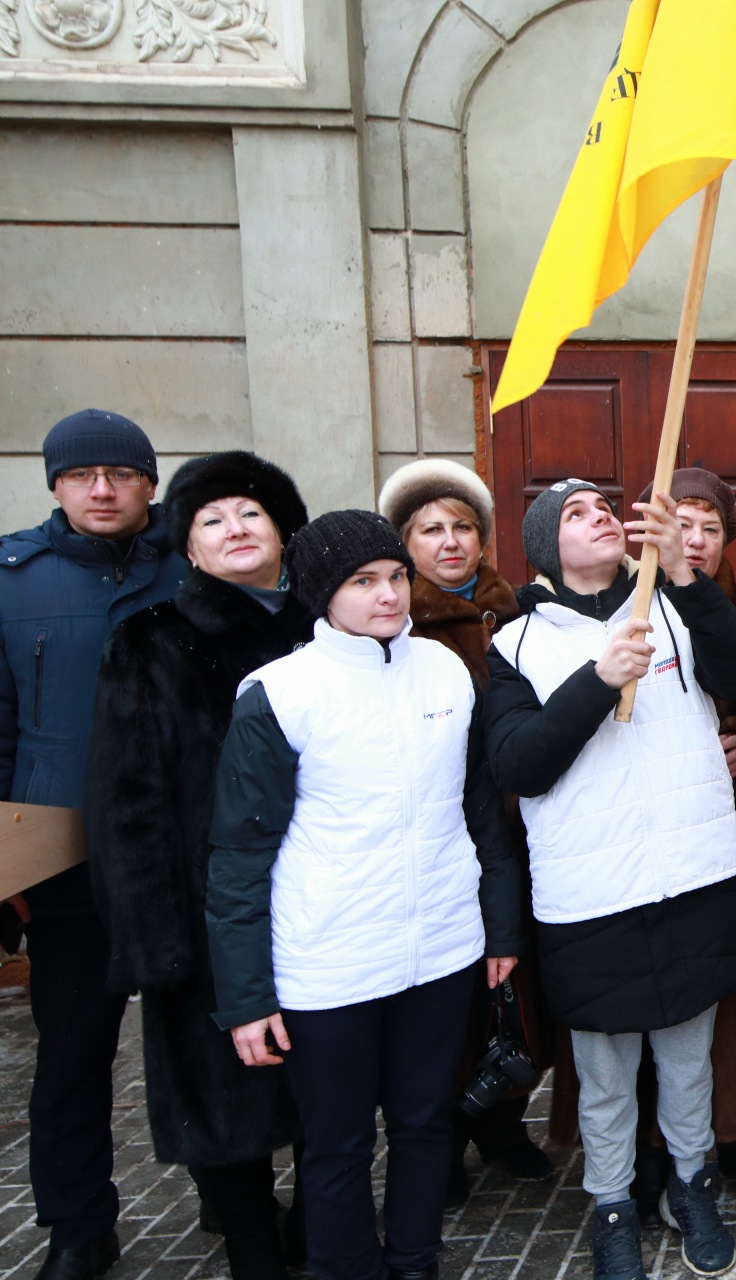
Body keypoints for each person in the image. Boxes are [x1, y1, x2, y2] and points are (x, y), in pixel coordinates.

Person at [205, 510, 524, 1280]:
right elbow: (238, 856)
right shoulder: (280, 694)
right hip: (330, 963)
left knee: (425, 1124)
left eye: (394, 577)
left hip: (440, 949)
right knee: (338, 1144)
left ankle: (415, 1262)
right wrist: (246, 997)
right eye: (363, 581)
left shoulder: (445, 671)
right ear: (323, 592)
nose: (388, 594)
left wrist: (500, 929)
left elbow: (480, 810)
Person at [484, 479, 736, 1279]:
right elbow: (519, 765)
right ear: (545, 548)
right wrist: (597, 679)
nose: (600, 516)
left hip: (691, 872)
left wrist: (683, 575)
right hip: (595, 893)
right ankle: (611, 1202)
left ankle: (691, 1181)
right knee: (605, 1073)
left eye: (605, 507)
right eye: (575, 513)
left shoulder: (673, 605)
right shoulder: (516, 646)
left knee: (688, 1055)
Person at [85, 453, 311, 1280]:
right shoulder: (151, 641)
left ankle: (315, 1227)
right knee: (223, 1097)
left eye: (250, 513)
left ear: (283, 530)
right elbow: (125, 800)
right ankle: (251, 1246)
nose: (235, 529)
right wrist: (151, 936)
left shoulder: (328, 628)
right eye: (211, 520)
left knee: (322, 1085)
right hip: (203, 909)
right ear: (188, 547)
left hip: (322, 900)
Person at [1, 410, 187, 1280]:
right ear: (56, 486)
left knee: (211, 1034)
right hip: (62, 854)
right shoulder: (13, 580)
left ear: (150, 483)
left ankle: (233, 1194)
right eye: (82, 476)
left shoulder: (192, 567)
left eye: (121, 474)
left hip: (179, 847)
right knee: (73, 1051)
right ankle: (78, 1225)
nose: (102, 490)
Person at [377, 459, 558, 1199]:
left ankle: (503, 1119)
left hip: (520, 827)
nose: (449, 542)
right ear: (405, 543)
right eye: (430, 530)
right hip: (443, 832)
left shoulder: (518, 612)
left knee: (516, 986)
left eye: (462, 528)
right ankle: (443, 1134)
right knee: (449, 990)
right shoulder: (396, 621)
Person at [617, 467, 736, 1214]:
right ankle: (656, 1145)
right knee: (663, 988)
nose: (694, 540)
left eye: (710, 528)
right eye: (680, 525)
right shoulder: (625, 606)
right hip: (651, 838)